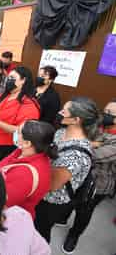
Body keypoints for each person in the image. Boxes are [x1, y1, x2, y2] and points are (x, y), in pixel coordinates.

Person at [34, 97, 100, 251]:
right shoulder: (61, 132)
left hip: (51, 201)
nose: (60, 113)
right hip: (41, 191)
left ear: (76, 119)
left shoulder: (76, 155)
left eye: (64, 111)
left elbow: (52, 185)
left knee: (40, 231)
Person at [54, 99, 116, 254]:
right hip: (78, 175)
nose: (105, 116)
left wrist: (84, 144)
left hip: (98, 183)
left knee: (84, 211)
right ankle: (62, 217)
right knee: (69, 198)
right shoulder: (97, 128)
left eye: (111, 114)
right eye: (105, 111)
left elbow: (94, 155)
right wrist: (88, 142)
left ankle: (74, 235)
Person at [0, 120, 56, 219]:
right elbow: (4, 164)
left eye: (19, 131)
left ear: (27, 143)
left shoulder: (25, 175)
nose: (15, 132)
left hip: (8, 219)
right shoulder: (23, 151)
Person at [0, 66, 40, 162]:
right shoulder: (7, 94)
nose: (8, 80)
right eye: (8, 77)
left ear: (23, 80)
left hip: (8, 146)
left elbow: (22, 130)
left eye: (12, 78)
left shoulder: (29, 104)